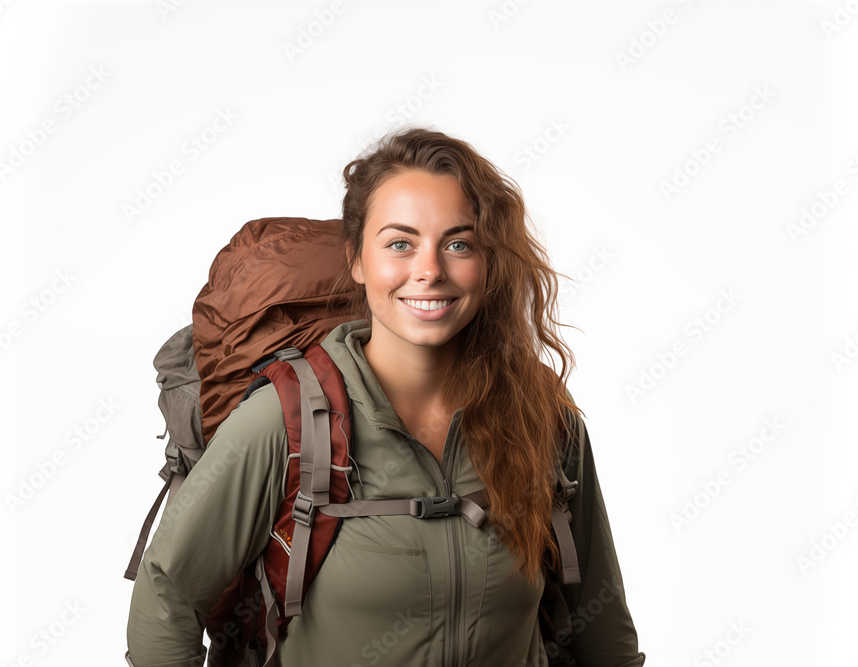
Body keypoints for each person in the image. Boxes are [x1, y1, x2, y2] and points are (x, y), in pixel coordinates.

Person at [126, 127, 645, 666]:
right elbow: (167, 595)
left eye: (459, 244)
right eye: (401, 243)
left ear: (488, 263)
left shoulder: (540, 414)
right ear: (358, 260)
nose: (429, 271)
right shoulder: (287, 420)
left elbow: (600, 622)